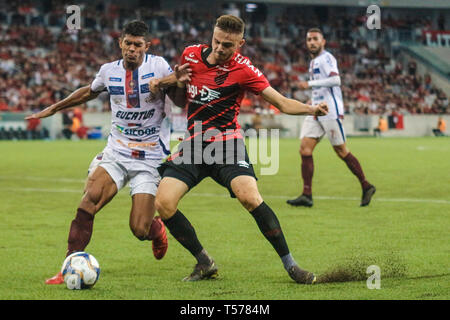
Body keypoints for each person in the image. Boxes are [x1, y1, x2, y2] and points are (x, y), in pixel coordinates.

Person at [150, 15, 328, 284]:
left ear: (240, 44)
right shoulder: (190, 54)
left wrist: (311, 109)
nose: (220, 49)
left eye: (228, 46)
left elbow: (280, 102)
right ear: (212, 35)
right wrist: (172, 80)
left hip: (226, 143)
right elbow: (178, 98)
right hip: (194, 144)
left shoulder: (245, 70)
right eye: (217, 42)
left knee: (249, 197)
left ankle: (292, 266)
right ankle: (204, 262)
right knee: (163, 202)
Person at [25, 20, 187, 285]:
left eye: (138, 45)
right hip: (117, 151)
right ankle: (68, 267)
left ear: (146, 46)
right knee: (88, 200)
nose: (132, 49)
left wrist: (177, 83)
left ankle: (156, 229)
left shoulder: (159, 66)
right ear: (120, 43)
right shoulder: (108, 71)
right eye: (128, 43)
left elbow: (179, 102)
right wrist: (55, 107)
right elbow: (89, 92)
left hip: (149, 158)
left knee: (139, 229)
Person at [287, 28, 376, 208]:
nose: (311, 42)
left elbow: (336, 80)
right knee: (305, 149)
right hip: (316, 109)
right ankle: (307, 195)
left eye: (315, 39)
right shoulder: (313, 62)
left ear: (323, 42)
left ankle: (366, 185)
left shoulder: (327, 58)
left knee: (341, 151)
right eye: (309, 39)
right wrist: (312, 99)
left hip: (330, 111)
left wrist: (309, 84)